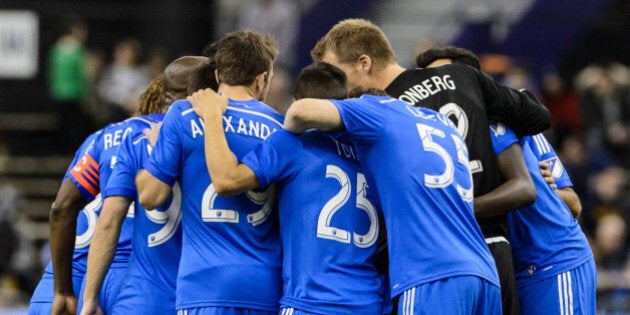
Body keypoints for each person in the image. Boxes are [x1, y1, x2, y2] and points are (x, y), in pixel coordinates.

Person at [312, 22, 551, 314]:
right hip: (490, 258)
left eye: (336, 74)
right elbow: (537, 115)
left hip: (433, 259)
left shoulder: (379, 113)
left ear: (364, 63)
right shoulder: (462, 76)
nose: (335, 86)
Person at [280, 90, 501, 314]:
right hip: (484, 272)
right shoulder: (442, 125)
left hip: (432, 273)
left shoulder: (379, 119)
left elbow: (300, 112)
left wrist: (282, 140)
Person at [188, 62, 384, 314]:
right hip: (368, 301)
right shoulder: (367, 153)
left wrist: (213, 116)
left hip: (312, 300)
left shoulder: (295, 142)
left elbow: (227, 180)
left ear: (297, 100)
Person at [136, 30, 283, 314]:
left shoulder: (183, 114)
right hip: (262, 286)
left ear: (217, 76)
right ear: (262, 78)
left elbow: (150, 196)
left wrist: (159, 151)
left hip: (203, 285)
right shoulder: (281, 128)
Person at [78, 56, 207, 315]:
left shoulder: (133, 140)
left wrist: (90, 297)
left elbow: (105, 220)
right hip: (204, 294)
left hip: (143, 296)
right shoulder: (221, 144)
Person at [488, 125, 596, 314]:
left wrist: (547, 189)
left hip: (553, 261)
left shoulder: (526, 127)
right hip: (515, 272)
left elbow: (574, 204)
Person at [48, 19, 90, 153]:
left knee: (64, 125)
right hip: (75, 93)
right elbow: (85, 74)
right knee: (73, 126)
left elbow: (51, 72)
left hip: (59, 92)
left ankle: (63, 149)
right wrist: (87, 95)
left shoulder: (56, 49)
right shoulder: (78, 50)